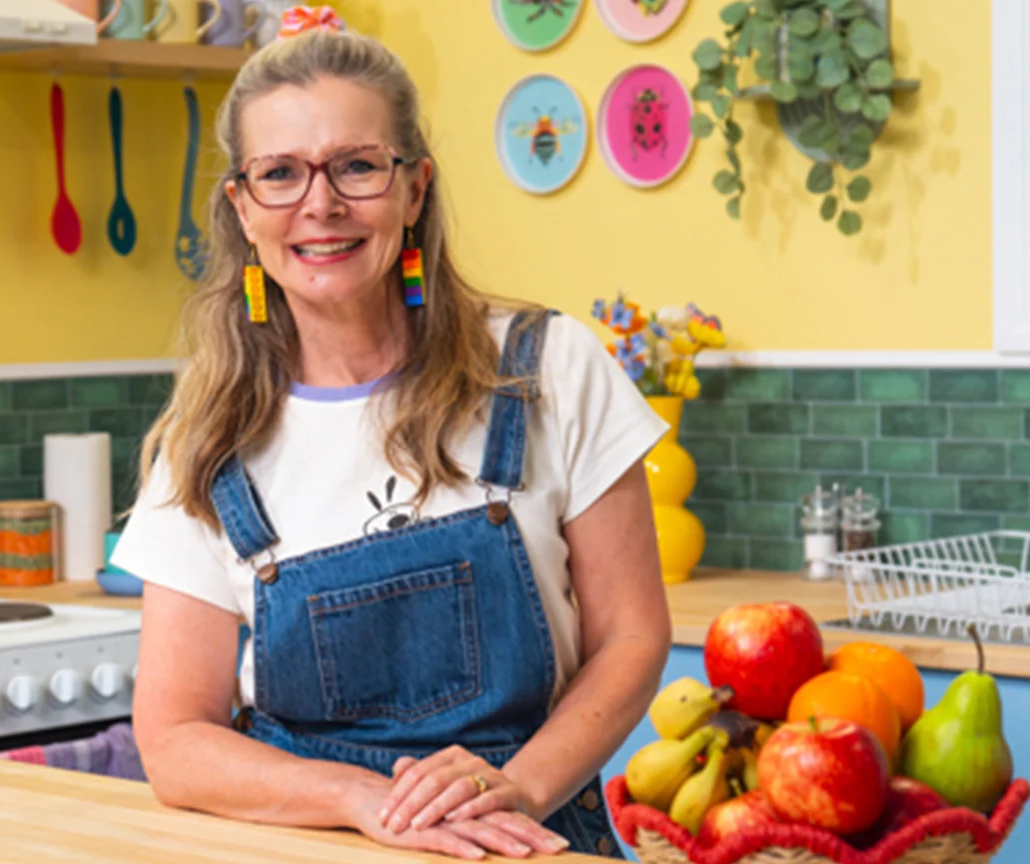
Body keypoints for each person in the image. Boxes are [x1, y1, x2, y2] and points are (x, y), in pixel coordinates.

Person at [111, 15, 672, 861]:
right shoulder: (211, 437)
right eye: (280, 174)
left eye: (358, 166)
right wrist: (362, 799)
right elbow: (174, 738)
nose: (320, 204)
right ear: (243, 210)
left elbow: (631, 635)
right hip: (313, 845)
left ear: (415, 189)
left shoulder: (546, 366)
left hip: (533, 836)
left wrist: (516, 785)